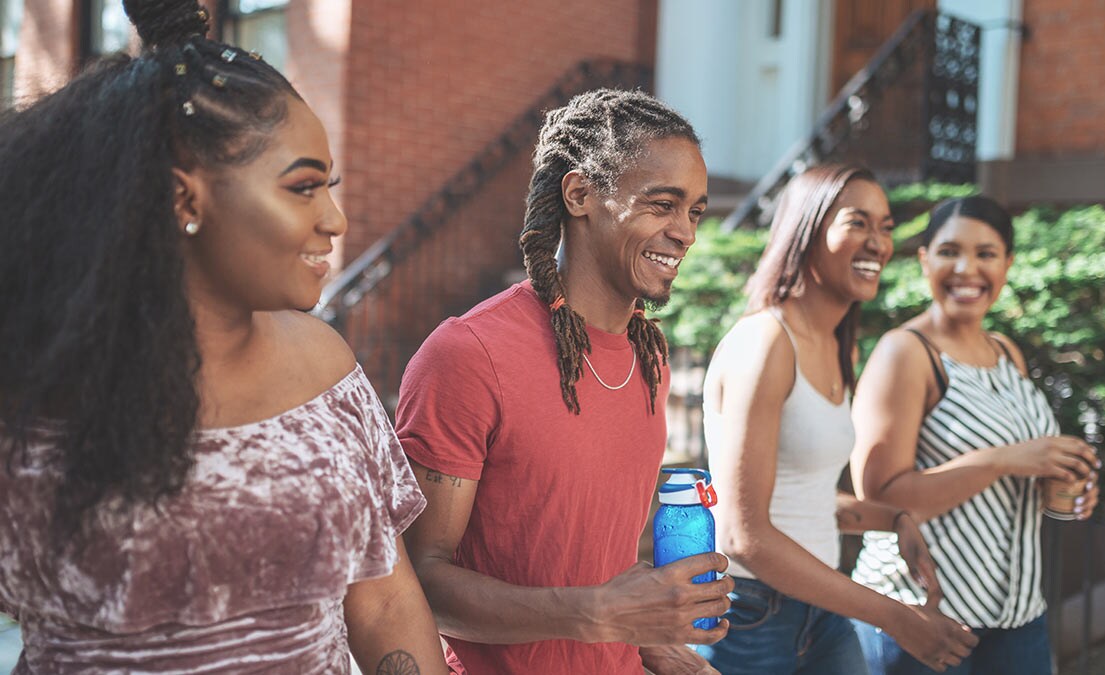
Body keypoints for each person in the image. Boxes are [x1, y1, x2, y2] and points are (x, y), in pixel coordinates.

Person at [0, 1, 445, 673]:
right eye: (302, 188)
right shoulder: (28, 395)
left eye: (331, 186)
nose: (334, 219)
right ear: (186, 200)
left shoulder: (328, 370)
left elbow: (383, 601)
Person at [395, 88, 733, 675]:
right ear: (580, 195)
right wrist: (594, 614)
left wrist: (656, 648)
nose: (686, 233)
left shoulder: (647, 360)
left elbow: (596, 565)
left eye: (695, 211)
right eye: (662, 204)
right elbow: (417, 580)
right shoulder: (468, 355)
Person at [696, 165, 978, 674]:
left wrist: (890, 518)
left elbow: (798, 496)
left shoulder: (831, 343)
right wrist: (895, 617)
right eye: (858, 223)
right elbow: (743, 534)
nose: (877, 242)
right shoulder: (765, 343)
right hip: (752, 618)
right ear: (807, 232)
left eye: (886, 227)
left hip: (821, 610)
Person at [848, 195, 1101, 674]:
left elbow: (1021, 472)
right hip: (924, 620)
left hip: (1020, 616)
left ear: (1007, 264)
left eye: (986, 254)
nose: (967, 269)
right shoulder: (905, 351)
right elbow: (878, 499)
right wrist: (1005, 460)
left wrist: (1061, 486)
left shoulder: (1006, 351)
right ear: (924, 260)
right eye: (949, 252)